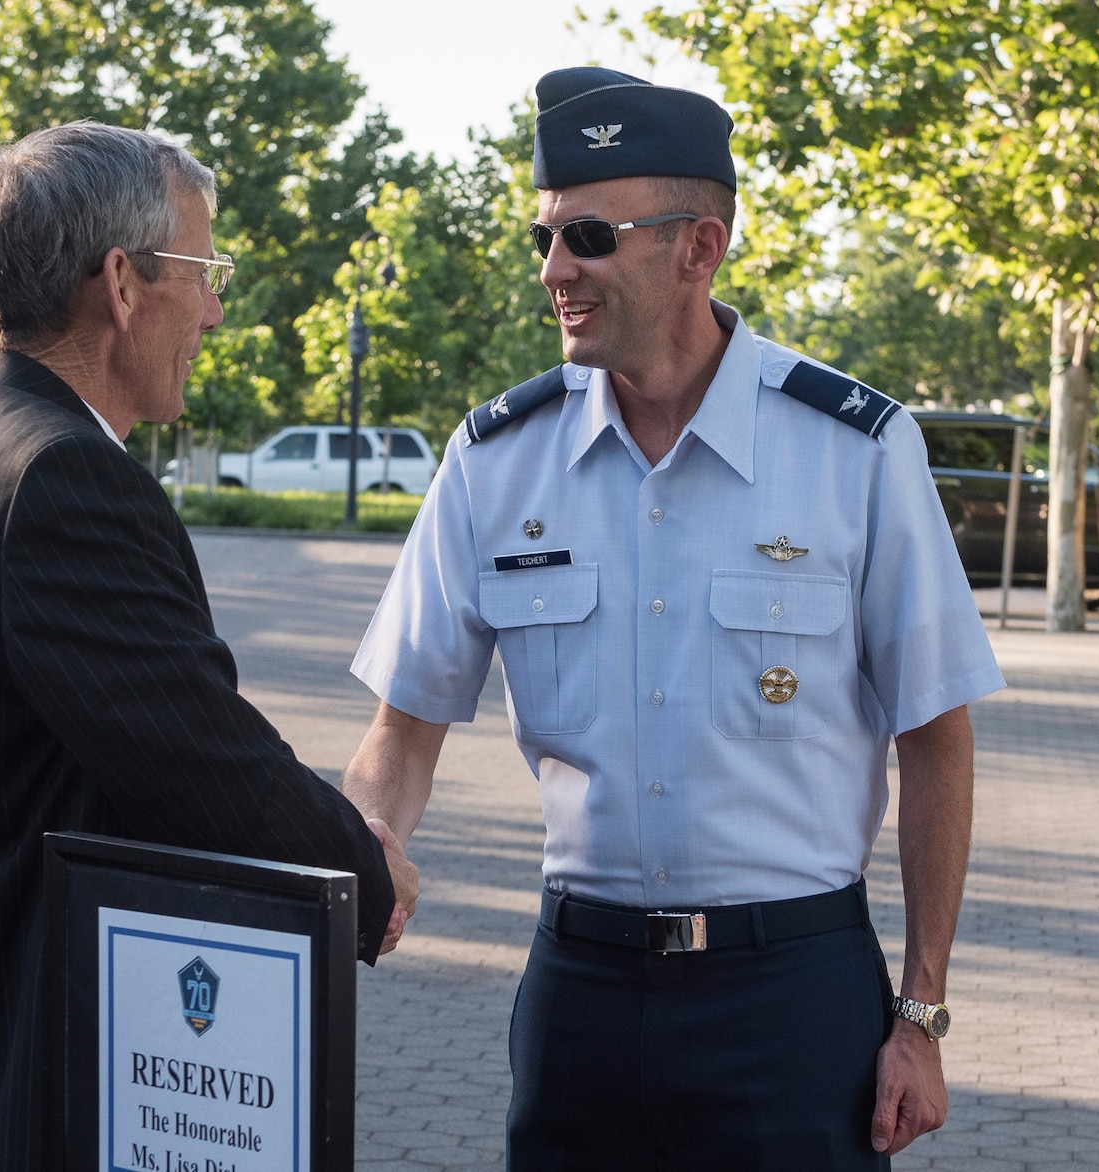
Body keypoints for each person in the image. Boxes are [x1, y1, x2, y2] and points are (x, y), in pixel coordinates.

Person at [344, 67, 1004, 1170]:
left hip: (791, 997)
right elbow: (401, 728)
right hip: (579, 992)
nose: (556, 270)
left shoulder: (852, 448)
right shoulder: (494, 461)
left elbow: (934, 734)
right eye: (545, 238)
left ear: (698, 246)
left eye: (590, 237)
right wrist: (365, 844)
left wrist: (920, 1012)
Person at [0, 123, 417, 1172]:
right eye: (203, 272)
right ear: (120, 281)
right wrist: (362, 870)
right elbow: (203, 761)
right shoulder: (64, 479)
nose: (214, 307)